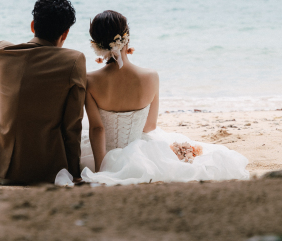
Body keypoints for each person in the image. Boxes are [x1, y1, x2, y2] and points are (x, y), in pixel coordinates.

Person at [77, 10, 249, 185]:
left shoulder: (90, 80)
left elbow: (97, 129)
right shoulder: (151, 76)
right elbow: (150, 126)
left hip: (102, 153)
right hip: (139, 153)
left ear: (97, 45)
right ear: (126, 38)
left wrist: (101, 169)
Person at [0, 0, 86, 184]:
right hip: (44, 169)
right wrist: (74, 172)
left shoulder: (1, 51)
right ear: (65, 34)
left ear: (33, 26)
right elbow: (72, 124)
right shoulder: (73, 60)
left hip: (0, 169)